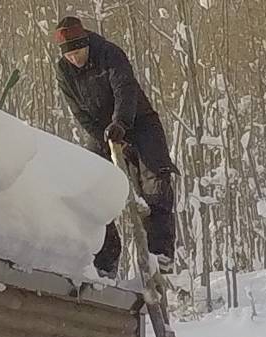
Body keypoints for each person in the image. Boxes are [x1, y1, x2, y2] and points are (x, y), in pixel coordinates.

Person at [53, 16, 179, 276]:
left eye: (78, 53)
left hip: (139, 123)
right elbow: (79, 112)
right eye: (70, 56)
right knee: (93, 187)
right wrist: (103, 136)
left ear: (86, 45)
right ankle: (105, 260)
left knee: (155, 181)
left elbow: (125, 89)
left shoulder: (110, 54)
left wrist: (120, 123)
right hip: (102, 132)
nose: (75, 59)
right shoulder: (63, 70)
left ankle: (160, 253)